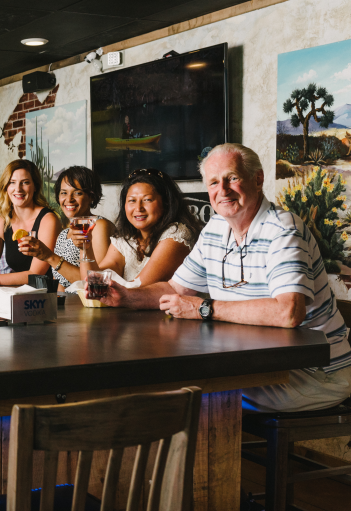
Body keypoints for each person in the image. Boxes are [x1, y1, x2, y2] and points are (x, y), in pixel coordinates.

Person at [98, 144, 351, 412]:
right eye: (214, 182)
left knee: (188, 396)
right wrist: (126, 296)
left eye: (232, 178)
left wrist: (203, 308)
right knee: (168, 387)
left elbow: (288, 312)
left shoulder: (283, 229)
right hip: (254, 363)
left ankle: (199, 454)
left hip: (312, 373)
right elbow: (174, 287)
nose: (223, 190)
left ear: (258, 179)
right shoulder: (216, 228)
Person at [79, 168, 201, 286]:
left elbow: (138, 288)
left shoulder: (177, 234)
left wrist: (104, 290)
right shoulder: (125, 239)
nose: (138, 208)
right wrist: (85, 247)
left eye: (147, 200)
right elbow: (95, 283)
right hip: (128, 306)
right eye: (132, 200)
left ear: (166, 202)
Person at [18, 166, 114, 288]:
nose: (69, 199)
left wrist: (49, 256)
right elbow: (60, 285)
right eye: (64, 193)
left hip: (89, 305)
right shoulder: (63, 234)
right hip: (68, 305)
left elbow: (98, 283)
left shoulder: (99, 226)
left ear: (92, 196)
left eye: (77, 193)